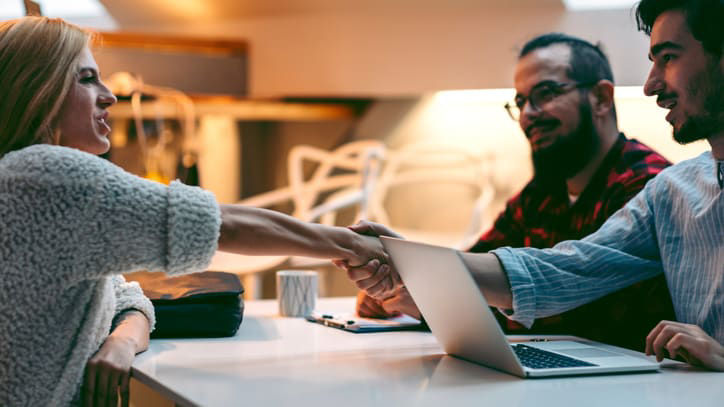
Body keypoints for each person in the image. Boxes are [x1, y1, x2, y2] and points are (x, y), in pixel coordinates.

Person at [0, 17, 386, 407]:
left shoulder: (21, 179)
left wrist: (121, 341)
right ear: (38, 91)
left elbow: (126, 298)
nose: (108, 96)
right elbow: (222, 225)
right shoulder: (46, 177)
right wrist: (353, 245)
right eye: (86, 79)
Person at [345, 0, 724, 371]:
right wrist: (413, 268)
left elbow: (591, 320)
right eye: (522, 101)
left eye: (669, 57)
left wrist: (425, 283)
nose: (650, 85)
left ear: (601, 98)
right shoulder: (671, 191)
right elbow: (563, 272)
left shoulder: (645, 180)